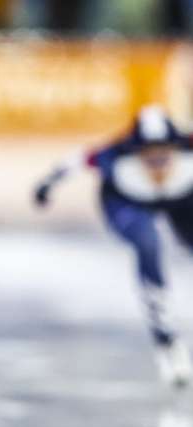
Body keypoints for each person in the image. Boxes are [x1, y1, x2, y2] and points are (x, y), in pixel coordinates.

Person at [34, 106, 193, 387]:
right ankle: (165, 337)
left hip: (181, 200)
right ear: (135, 151)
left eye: (163, 153)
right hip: (126, 201)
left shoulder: (188, 151)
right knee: (148, 243)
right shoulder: (116, 157)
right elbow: (78, 160)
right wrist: (47, 185)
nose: (157, 160)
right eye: (149, 154)